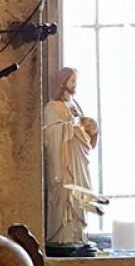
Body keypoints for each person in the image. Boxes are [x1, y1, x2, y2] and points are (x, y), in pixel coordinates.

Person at [43, 67, 107, 250]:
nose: (74, 85)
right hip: (64, 162)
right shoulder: (52, 107)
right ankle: (63, 238)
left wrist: (90, 129)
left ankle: (79, 235)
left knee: (81, 194)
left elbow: (84, 130)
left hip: (79, 159)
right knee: (67, 194)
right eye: (71, 81)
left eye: (75, 81)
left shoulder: (75, 105)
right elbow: (49, 134)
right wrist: (71, 128)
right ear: (63, 82)